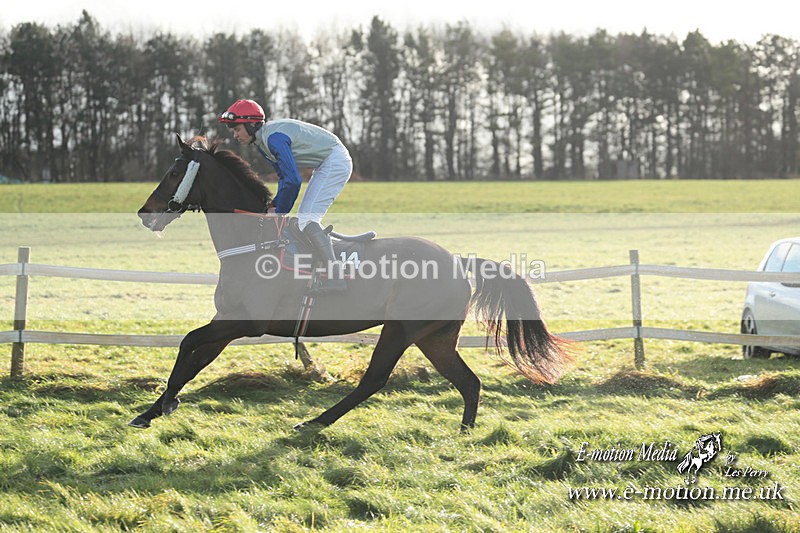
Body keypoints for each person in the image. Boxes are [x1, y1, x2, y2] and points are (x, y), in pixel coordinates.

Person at [218, 99, 350, 293]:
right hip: (327, 162)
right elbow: (283, 177)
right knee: (305, 218)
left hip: (335, 160)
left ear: (251, 124)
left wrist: (278, 211)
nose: (235, 135)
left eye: (237, 129)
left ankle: (336, 278)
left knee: (306, 219)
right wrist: (275, 205)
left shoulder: (273, 139)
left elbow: (293, 180)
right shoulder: (263, 144)